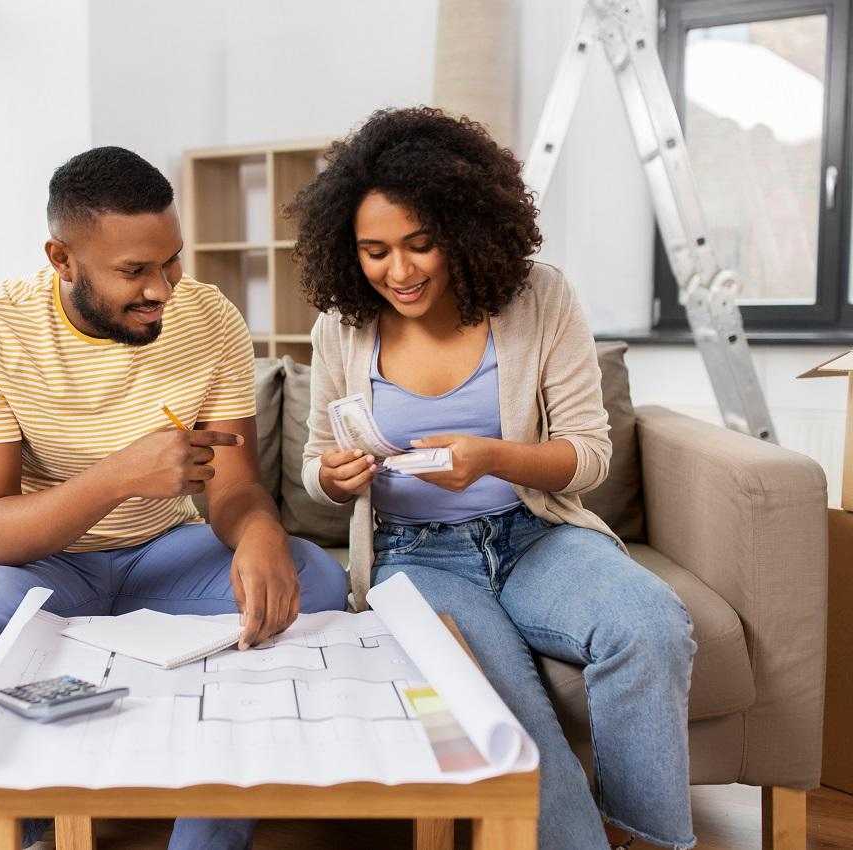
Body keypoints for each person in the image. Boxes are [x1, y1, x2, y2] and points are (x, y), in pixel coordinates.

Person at [0, 146, 349, 850]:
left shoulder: (209, 318)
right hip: (41, 562)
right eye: (134, 272)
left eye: (171, 261)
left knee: (316, 584)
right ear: (62, 259)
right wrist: (119, 475)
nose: (163, 289)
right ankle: (29, 825)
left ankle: (206, 841)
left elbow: (233, 488)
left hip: (168, 551)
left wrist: (262, 534)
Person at [290, 107, 696, 850]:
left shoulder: (538, 299)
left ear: (466, 228)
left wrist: (493, 456)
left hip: (536, 534)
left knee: (648, 622)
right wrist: (338, 478)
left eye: (421, 244)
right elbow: (318, 465)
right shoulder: (340, 328)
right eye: (375, 251)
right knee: (501, 698)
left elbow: (589, 453)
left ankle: (648, 840)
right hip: (415, 557)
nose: (400, 272)